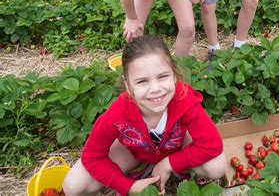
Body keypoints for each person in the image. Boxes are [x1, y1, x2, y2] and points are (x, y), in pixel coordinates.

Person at [62, 34, 226, 195]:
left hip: (177, 143)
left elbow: (212, 144)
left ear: (174, 75)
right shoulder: (117, 115)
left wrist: (169, 163)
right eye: (142, 81)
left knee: (216, 167)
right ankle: (141, 167)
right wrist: (127, 186)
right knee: (73, 186)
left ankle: (180, 165)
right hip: (134, 150)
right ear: (127, 85)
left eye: (162, 76)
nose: (155, 89)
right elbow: (92, 157)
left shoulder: (185, 100)